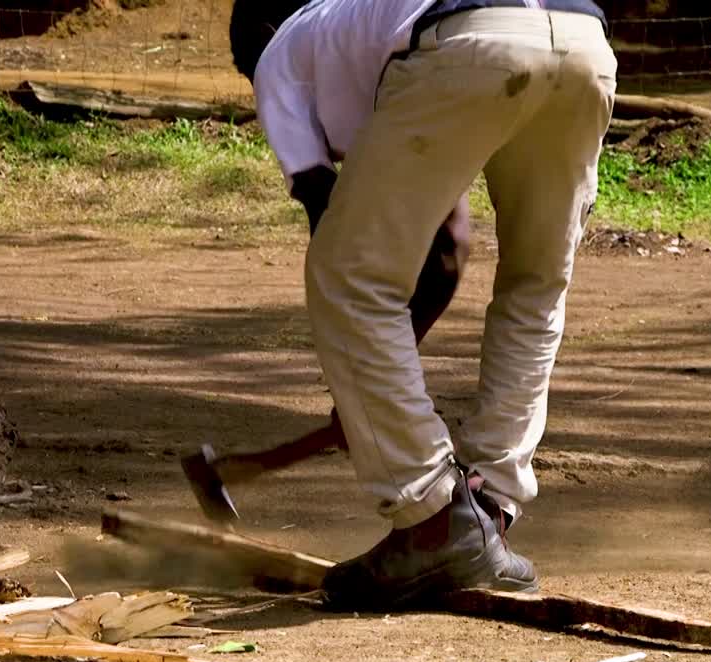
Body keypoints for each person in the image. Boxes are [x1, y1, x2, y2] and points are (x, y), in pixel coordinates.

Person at [230, 0, 616, 610]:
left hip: (471, 39)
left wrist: (366, 391)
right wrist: (380, 389)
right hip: (583, 39)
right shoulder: (361, 25)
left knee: (343, 275)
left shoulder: (279, 56)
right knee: (537, 283)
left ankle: (435, 516)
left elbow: (336, 235)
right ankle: (490, 508)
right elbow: (445, 243)